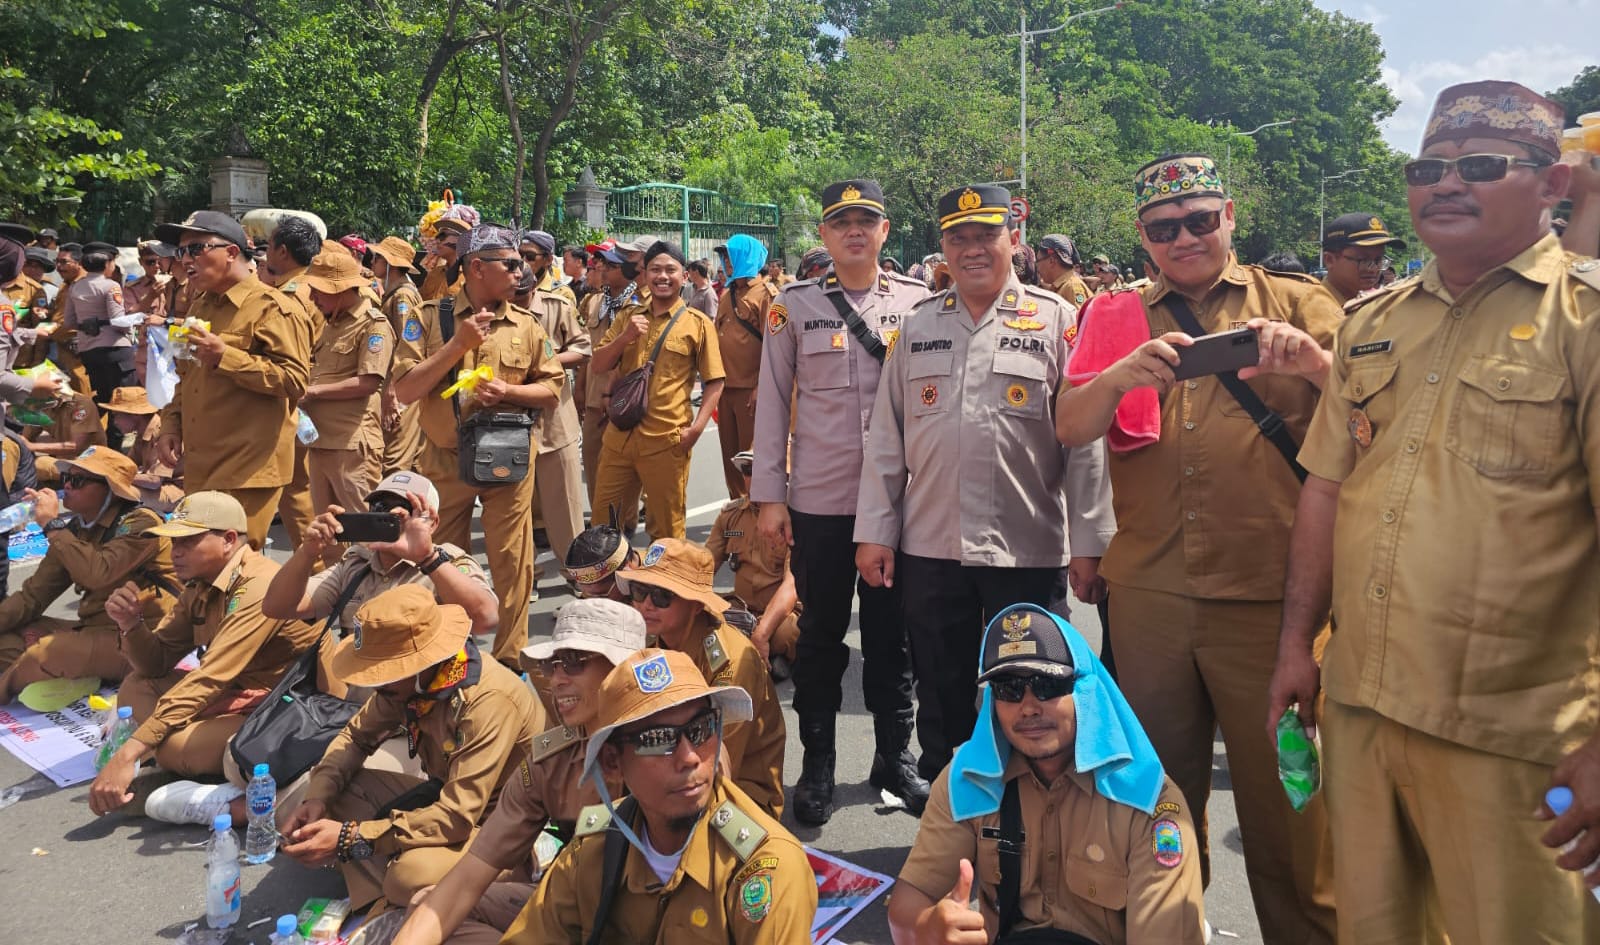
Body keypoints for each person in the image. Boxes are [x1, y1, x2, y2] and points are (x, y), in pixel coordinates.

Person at [1268, 80, 1600, 944]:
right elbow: (1327, 490)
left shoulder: (1585, 321)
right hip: (1364, 711)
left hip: (1514, 737)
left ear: (1553, 184)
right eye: (1428, 168)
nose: (1446, 183)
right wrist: (1297, 644)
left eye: (1481, 166)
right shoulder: (1371, 323)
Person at [1055, 153, 1340, 943]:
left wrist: (1315, 365)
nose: (1182, 238)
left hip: (1271, 601)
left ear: (1230, 217)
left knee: (1292, 813)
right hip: (1153, 600)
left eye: (1199, 220)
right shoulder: (1115, 314)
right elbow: (1070, 425)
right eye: (1163, 228)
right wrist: (1117, 377)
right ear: (1143, 236)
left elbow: (1375, 419)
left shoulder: (1298, 302)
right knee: (1156, 808)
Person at [855, 183, 1115, 786]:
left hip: (1025, 549)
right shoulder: (917, 325)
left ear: (1014, 239)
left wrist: (1090, 543)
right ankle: (951, 818)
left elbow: (1084, 446)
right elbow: (887, 440)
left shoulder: (1056, 320)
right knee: (941, 700)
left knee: (1034, 699)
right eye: (958, 238)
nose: (971, 249)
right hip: (932, 548)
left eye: (986, 235)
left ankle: (1031, 825)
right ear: (943, 246)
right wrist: (875, 533)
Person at [752, 178, 931, 824]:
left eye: (866, 220)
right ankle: (819, 764)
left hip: (898, 501)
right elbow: (772, 403)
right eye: (841, 222)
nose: (854, 231)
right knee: (822, 637)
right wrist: (769, 496)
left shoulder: (918, 304)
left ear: (885, 231)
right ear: (824, 234)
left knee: (893, 639)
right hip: (820, 500)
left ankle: (894, 757)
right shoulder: (792, 306)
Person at [888, 603, 1205, 944]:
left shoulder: (1147, 801)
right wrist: (926, 928)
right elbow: (909, 900)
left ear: (1085, 691)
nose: (1028, 707)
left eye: (1047, 685)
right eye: (1009, 688)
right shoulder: (970, 781)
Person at [499, 648, 817, 944]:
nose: (689, 757)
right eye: (657, 739)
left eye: (701, 728)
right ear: (612, 762)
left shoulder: (763, 867)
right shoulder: (594, 847)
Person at [391, 599, 643, 945]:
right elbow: (470, 875)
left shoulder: (674, 749)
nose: (556, 680)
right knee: (430, 907)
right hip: (576, 905)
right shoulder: (552, 760)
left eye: (573, 662)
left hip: (648, 919)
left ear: (623, 668)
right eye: (552, 665)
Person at [280, 584, 545, 912]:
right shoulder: (409, 686)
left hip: (504, 829)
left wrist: (352, 837)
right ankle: (380, 902)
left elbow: (456, 817)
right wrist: (317, 798)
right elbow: (355, 738)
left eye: (383, 674)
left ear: (420, 664)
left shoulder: (487, 702)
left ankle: (407, 898)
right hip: (446, 797)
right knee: (332, 794)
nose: (375, 684)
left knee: (407, 876)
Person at [391, 224, 564, 669]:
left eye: (521, 263)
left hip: (508, 457)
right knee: (443, 560)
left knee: (512, 560)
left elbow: (551, 390)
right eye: (510, 264)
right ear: (476, 268)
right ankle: (452, 653)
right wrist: (457, 345)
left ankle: (509, 659)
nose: (520, 271)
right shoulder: (431, 317)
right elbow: (405, 390)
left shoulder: (527, 325)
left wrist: (508, 391)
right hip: (444, 459)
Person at [89, 492, 319, 818]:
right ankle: (191, 766)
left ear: (228, 540)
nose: (175, 551)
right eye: (174, 541)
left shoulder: (258, 585)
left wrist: (129, 752)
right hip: (236, 693)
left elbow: (210, 678)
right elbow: (156, 662)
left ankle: (227, 791)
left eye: (188, 541)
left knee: (175, 747)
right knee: (136, 687)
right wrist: (131, 624)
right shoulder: (201, 584)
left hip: (287, 706)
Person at [151, 211, 312, 548]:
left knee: (231, 561)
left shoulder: (273, 307)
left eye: (196, 249)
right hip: (202, 464)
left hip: (247, 468)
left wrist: (225, 356)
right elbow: (187, 376)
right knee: (201, 563)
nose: (186, 260)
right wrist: (171, 425)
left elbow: (294, 381)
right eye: (181, 251)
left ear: (232, 252)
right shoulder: (201, 306)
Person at [614, 538, 785, 815]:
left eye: (662, 596)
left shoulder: (731, 663)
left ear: (695, 605)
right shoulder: (655, 641)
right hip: (673, 770)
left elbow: (715, 761)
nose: (646, 604)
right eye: (639, 590)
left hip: (737, 794)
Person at [0, 447, 174, 706]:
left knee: (46, 653)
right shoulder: (77, 530)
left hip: (140, 639)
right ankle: (80, 675)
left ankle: (26, 679)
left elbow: (98, 573)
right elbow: (33, 596)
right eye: (66, 478)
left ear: (110, 489)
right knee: (11, 634)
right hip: (94, 629)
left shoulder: (142, 524)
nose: (67, 486)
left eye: (78, 480)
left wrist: (52, 527)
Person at [590, 241, 725, 540]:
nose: (662, 276)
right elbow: (598, 365)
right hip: (619, 438)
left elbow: (715, 381)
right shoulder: (628, 317)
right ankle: (609, 573)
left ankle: (663, 574)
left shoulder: (698, 324)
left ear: (684, 276)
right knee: (603, 525)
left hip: (666, 441)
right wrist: (624, 337)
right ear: (645, 274)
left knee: (666, 530)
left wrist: (696, 430)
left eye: (670, 270)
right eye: (655, 270)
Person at [262, 471, 496, 638]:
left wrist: (428, 559)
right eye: (379, 506)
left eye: (405, 507)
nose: (391, 514)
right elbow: (277, 607)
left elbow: (485, 620)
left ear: (432, 523)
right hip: (360, 691)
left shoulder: (448, 564)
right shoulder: (356, 564)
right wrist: (307, 553)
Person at [300, 248, 394, 535]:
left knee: (364, 532)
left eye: (318, 291)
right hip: (321, 441)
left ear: (340, 290)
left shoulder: (373, 325)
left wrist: (313, 392)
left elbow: (368, 383)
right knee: (328, 532)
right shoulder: (332, 324)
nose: (313, 297)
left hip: (351, 446)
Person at [509, 257, 590, 592]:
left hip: (555, 422)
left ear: (533, 287)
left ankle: (578, 575)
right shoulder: (488, 312)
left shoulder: (557, 306)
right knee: (515, 512)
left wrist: (544, 361)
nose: (515, 301)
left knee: (566, 508)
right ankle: (525, 579)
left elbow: (584, 350)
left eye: (522, 294)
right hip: (509, 424)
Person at [707, 450, 798, 679]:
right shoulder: (731, 517)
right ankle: (762, 657)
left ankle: (755, 649)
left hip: (783, 615)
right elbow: (703, 566)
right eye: (747, 470)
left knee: (787, 633)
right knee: (700, 617)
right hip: (742, 609)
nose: (753, 478)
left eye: (762, 471)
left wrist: (762, 633)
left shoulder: (795, 520)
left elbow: (791, 587)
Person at [575, 240, 640, 529]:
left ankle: (625, 520)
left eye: (610, 265)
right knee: (592, 461)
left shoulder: (638, 305)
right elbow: (587, 350)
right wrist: (579, 387)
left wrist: (610, 391)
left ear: (626, 270)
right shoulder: (594, 303)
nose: (601, 269)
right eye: (601, 263)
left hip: (624, 398)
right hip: (593, 395)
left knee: (625, 465)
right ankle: (602, 522)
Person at [710, 234, 772, 500]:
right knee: (729, 456)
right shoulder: (728, 295)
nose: (727, 261)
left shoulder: (767, 295)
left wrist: (761, 386)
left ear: (747, 257)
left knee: (750, 459)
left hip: (751, 390)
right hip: (726, 389)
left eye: (731, 255)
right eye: (724, 257)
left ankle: (756, 511)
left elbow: (775, 347)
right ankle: (737, 511)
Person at [371, 235, 427, 475]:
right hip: (396, 381)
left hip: (400, 384)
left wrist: (393, 391)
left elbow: (407, 346)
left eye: (377, 258)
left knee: (394, 460)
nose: (372, 261)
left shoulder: (402, 296)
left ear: (389, 264)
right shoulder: (394, 293)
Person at [61, 241, 135, 406]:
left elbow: (69, 322)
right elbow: (119, 322)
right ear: (107, 264)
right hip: (115, 350)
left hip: (88, 350)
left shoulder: (75, 287)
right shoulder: (111, 286)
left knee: (103, 398)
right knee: (124, 400)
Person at [98, 387, 181, 511]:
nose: (114, 422)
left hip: (177, 492)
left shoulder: (160, 433)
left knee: (123, 490)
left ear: (135, 415)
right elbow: (128, 465)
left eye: (116, 415)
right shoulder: (142, 432)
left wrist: (112, 475)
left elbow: (154, 481)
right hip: (161, 487)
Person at [1319, 212, 1407, 306]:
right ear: (1329, 260)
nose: (1373, 269)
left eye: (1378, 260)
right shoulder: (1314, 307)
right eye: (1363, 260)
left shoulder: (1373, 305)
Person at [561, 521, 637, 601]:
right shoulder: (594, 589)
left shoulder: (646, 593)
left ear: (625, 575)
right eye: (588, 594)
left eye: (602, 596)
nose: (595, 603)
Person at [518, 230, 576, 307]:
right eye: (520, 254)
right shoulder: (510, 287)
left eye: (530, 256)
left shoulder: (562, 294)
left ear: (548, 260)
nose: (523, 260)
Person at [1036, 233, 1090, 307]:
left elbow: (1078, 314)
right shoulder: (1062, 287)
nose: (1037, 267)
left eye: (1038, 261)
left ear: (1052, 261)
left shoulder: (1072, 287)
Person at [421, 219, 469, 302]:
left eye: (442, 236)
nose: (437, 241)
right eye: (437, 237)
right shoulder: (434, 273)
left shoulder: (470, 277)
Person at [125, 240, 173, 322]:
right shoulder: (132, 288)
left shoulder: (174, 283)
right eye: (151, 262)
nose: (157, 266)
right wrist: (150, 297)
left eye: (160, 261)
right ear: (140, 262)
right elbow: (129, 317)